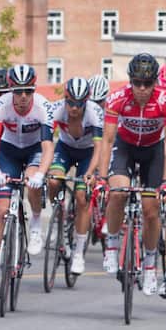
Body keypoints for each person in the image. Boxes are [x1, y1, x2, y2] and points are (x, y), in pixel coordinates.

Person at [97, 53, 166, 297]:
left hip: (153, 151)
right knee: (119, 193)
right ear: (130, 81)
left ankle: (151, 265)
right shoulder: (117, 99)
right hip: (125, 147)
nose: (142, 89)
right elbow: (108, 139)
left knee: (150, 210)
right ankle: (112, 244)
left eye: (147, 84)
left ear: (155, 82)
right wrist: (102, 178)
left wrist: (165, 182)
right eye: (137, 83)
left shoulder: (165, 100)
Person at [0, 64, 55, 296]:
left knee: (32, 180)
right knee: (0, 210)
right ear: (11, 90)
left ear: (34, 90)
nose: (23, 97)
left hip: (34, 150)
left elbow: (47, 147)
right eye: (18, 91)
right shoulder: (1, 106)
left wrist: (42, 174)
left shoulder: (43, 107)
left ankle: (35, 224)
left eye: (28, 91)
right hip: (9, 151)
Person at [46, 76, 104, 276]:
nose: (74, 108)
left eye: (79, 104)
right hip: (65, 148)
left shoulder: (95, 114)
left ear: (86, 102)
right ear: (65, 99)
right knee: (53, 181)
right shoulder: (56, 110)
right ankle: (57, 216)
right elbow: (44, 141)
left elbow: (99, 148)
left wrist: (89, 174)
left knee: (82, 198)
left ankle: (78, 252)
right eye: (70, 102)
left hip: (88, 153)